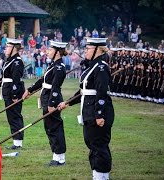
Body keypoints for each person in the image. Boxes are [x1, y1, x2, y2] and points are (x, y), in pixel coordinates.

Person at [59, 37, 114, 179]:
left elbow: (101, 93)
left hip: (97, 112)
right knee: (91, 142)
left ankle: (102, 176)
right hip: (88, 111)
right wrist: (68, 102)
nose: (86, 51)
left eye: (88, 48)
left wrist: (100, 115)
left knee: (99, 145)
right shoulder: (93, 66)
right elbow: (83, 91)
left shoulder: (101, 67)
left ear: (97, 50)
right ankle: (97, 174)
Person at [22, 40, 67, 166]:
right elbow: (43, 80)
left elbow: (56, 87)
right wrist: (30, 90)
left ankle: (60, 157)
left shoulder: (59, 67)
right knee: (49, 127)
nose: (48, 51)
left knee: (55, 128)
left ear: (57, 52)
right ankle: (56, 155)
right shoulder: (53, 65)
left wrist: (52, 104)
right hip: (47, 98)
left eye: (51, 50)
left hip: (53, 99)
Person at [0, 38, 25, 148]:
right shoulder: (9, 60)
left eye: (8, 46)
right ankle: (15, 141)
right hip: (7, 91)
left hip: (13, 93)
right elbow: (4, 78)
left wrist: (14, 95)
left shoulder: (17, 61)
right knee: (10, 117)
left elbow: (16, 81)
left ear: (14, 48)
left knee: (15, 116)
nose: (5, 49)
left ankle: (18, 142)